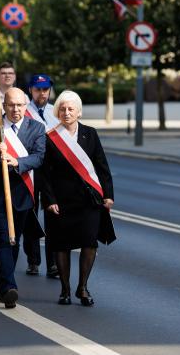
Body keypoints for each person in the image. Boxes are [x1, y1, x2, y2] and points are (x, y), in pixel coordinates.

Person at [41, 90, 114, 306]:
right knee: (61, 245)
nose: (66, 112)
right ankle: (65, 289)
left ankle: (82, 287)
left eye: (70, 109)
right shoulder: (51, 138)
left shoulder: (90, 134)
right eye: (62, 109)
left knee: (89, 242)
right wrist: (49, 200)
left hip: (88, 200)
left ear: (79, 112)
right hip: (61, 200)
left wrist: (108, 195)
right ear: (57, 112)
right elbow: (44, 174)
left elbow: (102, 166)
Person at [0, 87, 45, 309]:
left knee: (15, 241)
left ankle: (3, 281)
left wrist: (18, 162)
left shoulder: (37, 128)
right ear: (4, 106)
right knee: (4, 239)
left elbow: (39, 157)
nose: (16, 109)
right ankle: (8, 287)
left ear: (26, 105)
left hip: (22, 194)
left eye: (20, 105)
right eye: (11, 105)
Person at [23, 74, 60, 277]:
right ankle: (33, 260)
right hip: (30, 167)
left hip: (50, 169)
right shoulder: (24, 111)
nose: (42, 93)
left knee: (52, 214)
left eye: (45, 89)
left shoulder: (56, 111)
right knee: (31, 214)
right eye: (38, 89)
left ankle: (53, 263)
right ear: (31, 90)